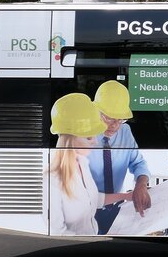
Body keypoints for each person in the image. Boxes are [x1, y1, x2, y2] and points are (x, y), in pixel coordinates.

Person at [48, 93, 133, 235]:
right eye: (88, 137)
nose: (95, 141)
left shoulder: (82, 164)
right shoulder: (52, 181)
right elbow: (57, 233)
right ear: (69, 140)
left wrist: (125, 196)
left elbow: (93, 199)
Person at [87, 81, 152, 234]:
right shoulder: (83, 134)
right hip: (87, 209)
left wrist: (141, 185)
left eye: (120, 119)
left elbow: (139, 163)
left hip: (116, 208)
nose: (115, 125)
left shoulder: (125, 131)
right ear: (96, 111)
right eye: (109, 118)